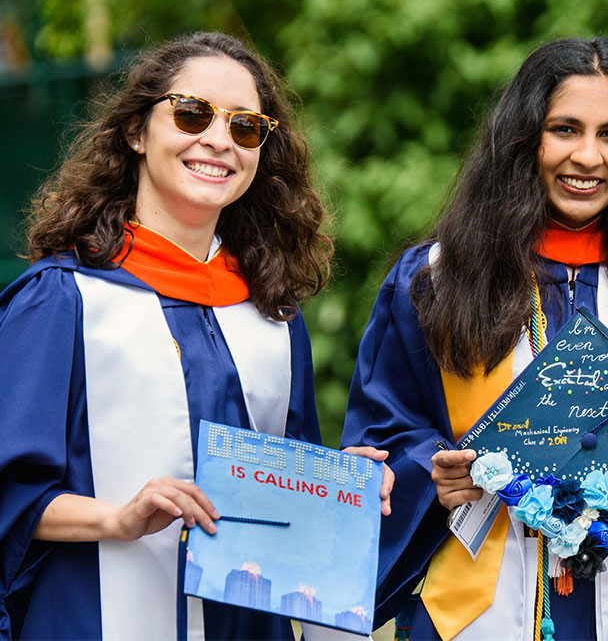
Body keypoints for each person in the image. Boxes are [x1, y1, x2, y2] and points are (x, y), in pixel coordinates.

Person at [342, 37, 608, 641]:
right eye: (565, 129)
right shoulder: (437, 279)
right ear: (523, 139)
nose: (589, 156)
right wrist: (432, 470)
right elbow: (381, 435)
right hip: (476, 611)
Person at [0, 32, 391, 640]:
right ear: (137, 132)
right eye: (191, 114)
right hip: (95, 617)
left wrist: (339, 487)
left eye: (245, 127)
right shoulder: (64, 299)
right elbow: (11, 494)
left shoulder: (270, 314)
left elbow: (283, 497)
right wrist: (119, 518)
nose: (217, 140)